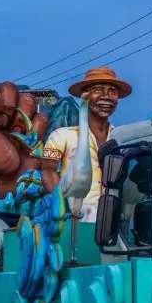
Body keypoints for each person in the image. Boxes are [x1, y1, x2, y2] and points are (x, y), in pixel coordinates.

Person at [41, 66, 132, 222]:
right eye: (97, 90)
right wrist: (61, 205)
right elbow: (48, 170)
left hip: (112, 221)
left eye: (112, 92)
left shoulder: (122, 139)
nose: (106, 97)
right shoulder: (62, 136)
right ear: (85, 95)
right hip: (74, 219)